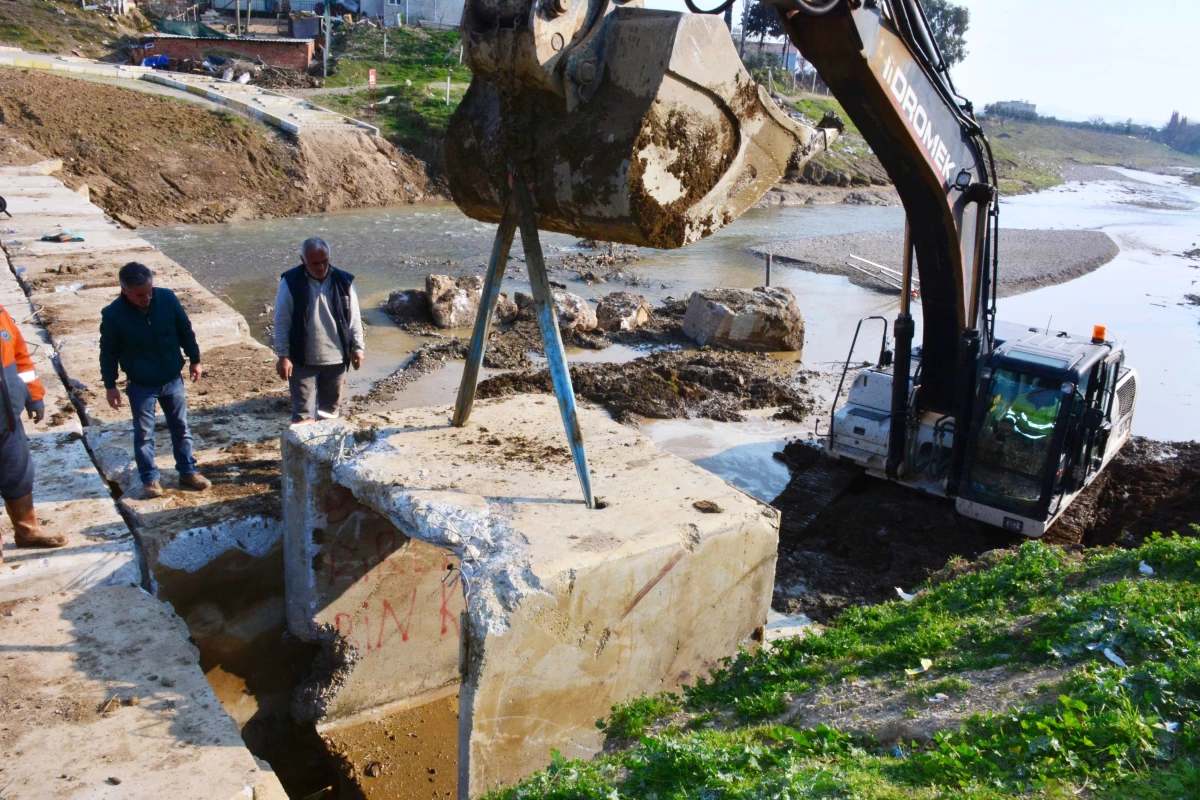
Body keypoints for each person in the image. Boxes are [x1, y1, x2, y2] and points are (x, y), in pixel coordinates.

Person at [100, 262, 211, 499]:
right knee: (144, 434)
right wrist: (110, 385)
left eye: (150, 291)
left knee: (181, 427)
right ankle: (149, 478)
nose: (147, 298)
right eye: (140, 295)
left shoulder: (167, 299)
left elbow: (185, 329)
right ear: (125, 291)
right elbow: (108, 352)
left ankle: (187, 470)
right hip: (141, 384)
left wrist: (195, 359)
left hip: (172, 378)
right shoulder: (113, 315)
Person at [273, 238, 365, 423]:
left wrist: (358, 348)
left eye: (325, 261)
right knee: (302, 415)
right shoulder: (290, 282)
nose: (321, 266)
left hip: (336, 359)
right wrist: (283, 355)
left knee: (329, 414)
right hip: (302, 359)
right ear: (303, 260)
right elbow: (282, 321)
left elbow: (354, 318)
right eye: (315, 263)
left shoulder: (344, 281)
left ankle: (327, 448)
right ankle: (303, 449)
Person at [0, 303, 66, 559]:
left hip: (8, 418)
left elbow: (21, 358)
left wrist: (34, 396)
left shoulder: (3, 315)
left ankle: (27, 531)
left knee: (19, 474)